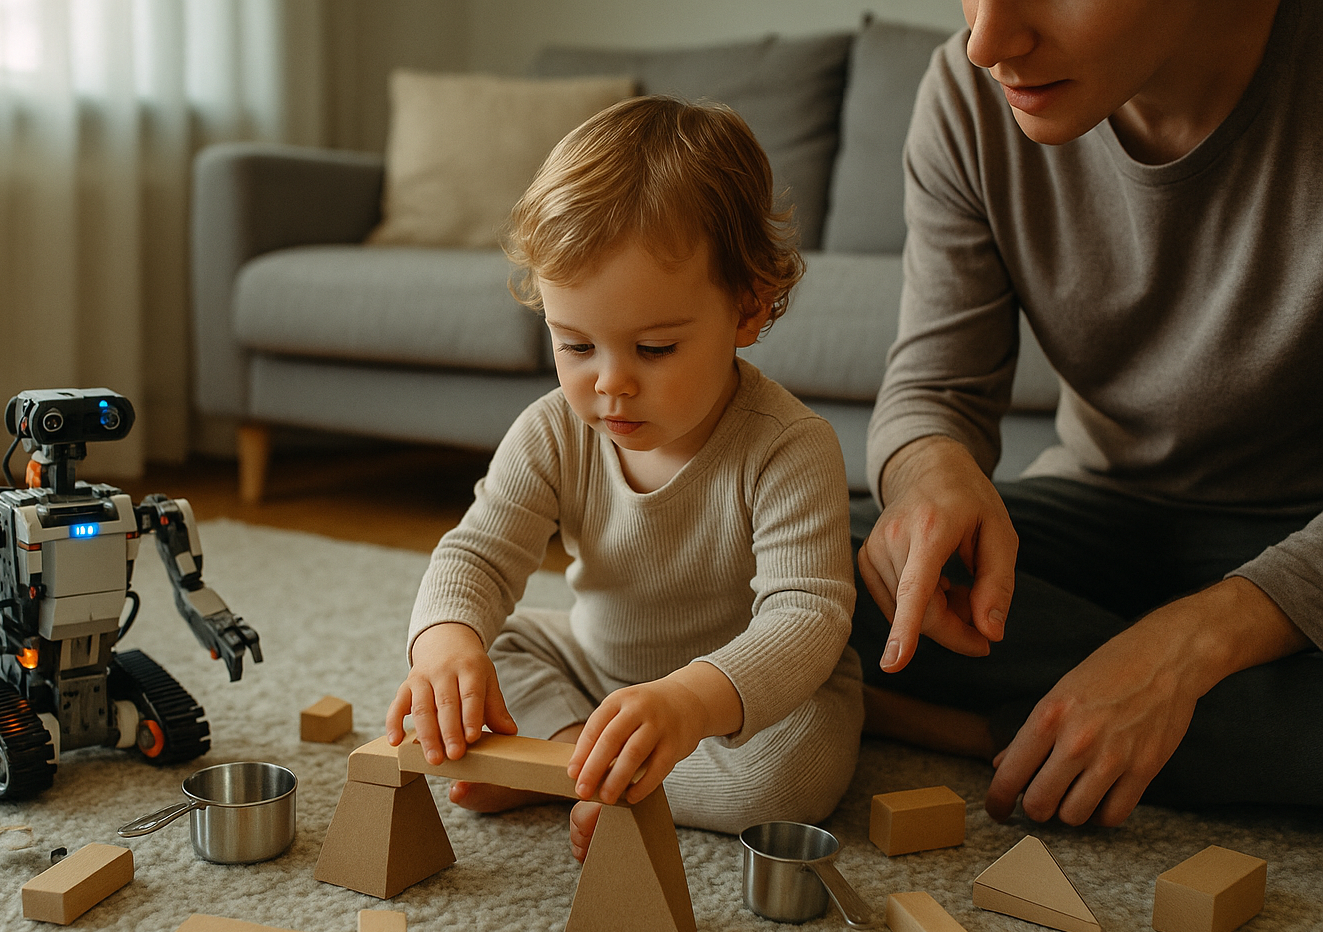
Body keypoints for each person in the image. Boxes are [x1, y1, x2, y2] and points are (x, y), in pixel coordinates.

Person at [854, 0, 1322, 828]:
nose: (986, 42)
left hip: (1303, 538)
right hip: (1100, 511)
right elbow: (936, 386)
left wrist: (1182, 653)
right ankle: (1101, 729)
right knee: (775, 556)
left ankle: (988, 729)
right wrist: (930, 477)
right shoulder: (965, 100)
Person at [384, 95, 864, 860]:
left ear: (749, 308)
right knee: (466, 657)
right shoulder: (552, 427)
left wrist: (688, 702)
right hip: (596, 663)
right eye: (576, 346)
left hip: (739, 695)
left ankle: (594, 775)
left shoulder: (790, 446)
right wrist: (445, 645)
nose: (611, 386)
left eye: (654, 350)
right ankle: (589, 758)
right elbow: (477, 553)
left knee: (786, 781)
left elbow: (804, 621)